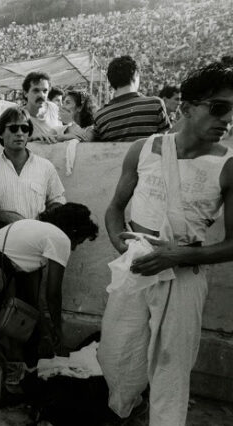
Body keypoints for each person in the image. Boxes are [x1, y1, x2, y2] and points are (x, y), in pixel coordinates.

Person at [98, 62, 233, 425]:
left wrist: (176, 255)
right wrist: (120, 243)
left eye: (232, 110)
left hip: (184, 277)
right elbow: (114, 209)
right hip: (136, 267)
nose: (227, 119)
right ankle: (127, 408)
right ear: (186, 108)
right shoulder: (144, 149)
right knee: (117, 354)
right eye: (218, 107)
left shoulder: (228, 165)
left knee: (171, 372)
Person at [0, 203, 99, 426]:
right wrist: (57, 329)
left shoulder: (36, 229)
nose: (75, 249)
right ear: (74, 232)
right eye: (78, 242)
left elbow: (32, 295)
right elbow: (53, 294)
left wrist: (43, 330)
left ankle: (1, 396)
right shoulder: (59, 238)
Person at [0, 106, 66, 231]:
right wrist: (4, 216)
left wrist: (46, 217)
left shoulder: (45, 166)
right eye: (13, 128)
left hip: (37, 241)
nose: (19, 133)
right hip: (3, 244)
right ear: (1, 133)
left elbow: (58, 199)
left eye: (24, 128)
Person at [94, 56, 171, 142]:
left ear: (111, 81)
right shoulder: (155, 104)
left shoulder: (100, 117)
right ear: (135, 75)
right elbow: (165, 143)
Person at [23, 72, 62, 144]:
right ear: (25, 93)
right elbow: (8, 142)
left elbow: (61, 129)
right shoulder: (18, 116)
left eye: (45, 91)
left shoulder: (53, 107)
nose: (41, 95)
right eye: (36, 90)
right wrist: (32, 138)